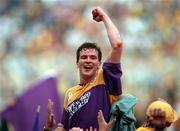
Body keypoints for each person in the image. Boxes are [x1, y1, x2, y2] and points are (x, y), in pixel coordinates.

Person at [60, 6, 123, 130]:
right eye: (84, 57)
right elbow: (63, 127)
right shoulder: (69, 93)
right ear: (77, 63)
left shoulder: (105, 78)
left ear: (99, 64)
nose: (88, 60)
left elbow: (117, 45)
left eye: (93, 58)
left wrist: (104, 17)